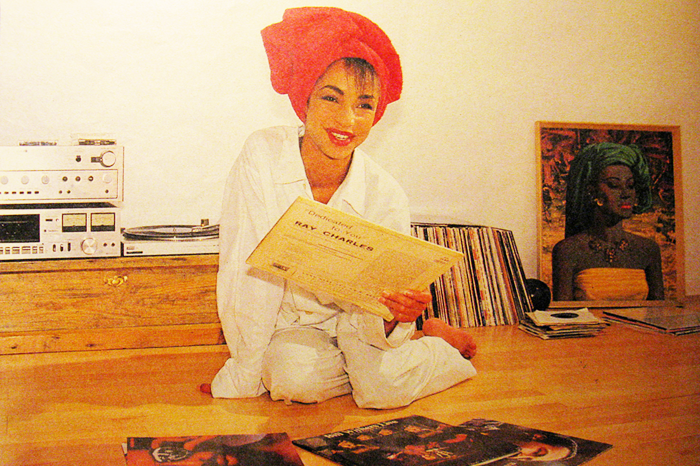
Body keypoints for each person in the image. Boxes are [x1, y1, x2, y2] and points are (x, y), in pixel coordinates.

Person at [205, 7, 477, 409]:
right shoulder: (262, 155)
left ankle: (435, 346)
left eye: (364, 105)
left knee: (383, 393)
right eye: (331, 98)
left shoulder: (386, 194)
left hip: (359, 324)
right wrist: (245, 370)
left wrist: (396, 315)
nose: (347, 119)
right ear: (305, 100)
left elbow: (380, 303)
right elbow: (244, 272)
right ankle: (395, 358)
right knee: (294, 382)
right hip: (294, 328)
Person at [552, 142, 664, 301]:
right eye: (614, 185)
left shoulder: (648, 249)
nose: (626, 194)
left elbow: (659, 311)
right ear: (592, 191)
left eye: (630, 185)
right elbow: (564, 313)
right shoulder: (568, 250)